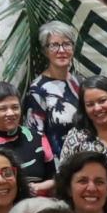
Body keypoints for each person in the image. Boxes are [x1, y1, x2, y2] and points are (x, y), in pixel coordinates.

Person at [0, 82, 58, 195]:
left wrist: (37, 187)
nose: (10, 113)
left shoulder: (38, 138)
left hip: (40, 203)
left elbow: (54, 179)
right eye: (3, 109)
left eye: (15, 107)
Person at [59, 76, 107, 186]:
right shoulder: (76, 136)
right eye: (90, 104)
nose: (97, 108)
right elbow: (62, 178)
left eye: (102, 101)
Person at [26, 21, 85, 154]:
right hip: (58, 161)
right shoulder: (38, 90)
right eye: (54, 45)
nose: (61, 50)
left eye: (66, 44)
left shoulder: (80, 83)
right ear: (45, 51)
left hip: (87, 158)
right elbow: (36, 136)